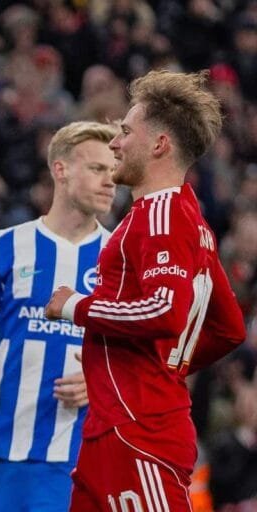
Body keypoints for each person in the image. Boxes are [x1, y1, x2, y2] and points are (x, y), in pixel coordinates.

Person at [45, 70, 246, 512]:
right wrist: (162, 365)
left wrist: (76, 306)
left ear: (159, 145)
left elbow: (165, 311)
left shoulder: (162, 217)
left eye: (125, 131)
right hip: (113, 426)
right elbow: (229, 328)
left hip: (140, 430)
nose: (115, 143)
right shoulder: (186, 218)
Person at [0, 120, 118, 511]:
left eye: (113, 170)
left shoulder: (121, 258)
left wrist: (102, 381)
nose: (110, 181)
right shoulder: (3, 246)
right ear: (61, 169)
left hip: (76, 460)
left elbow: (145, 358)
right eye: (97, 168)